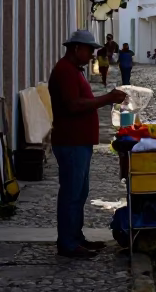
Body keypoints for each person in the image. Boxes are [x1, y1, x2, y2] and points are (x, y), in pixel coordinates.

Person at [48, 30, 127, 259]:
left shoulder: (74, 71)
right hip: (70, 142)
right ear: (76, 49)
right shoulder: (64, 72)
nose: (92, 54)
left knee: (80, 192)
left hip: (79, 142)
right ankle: (68, 243)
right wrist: (107, 99)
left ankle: (76, 237)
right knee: (71, 194)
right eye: (89, 49)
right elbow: (73, 105)